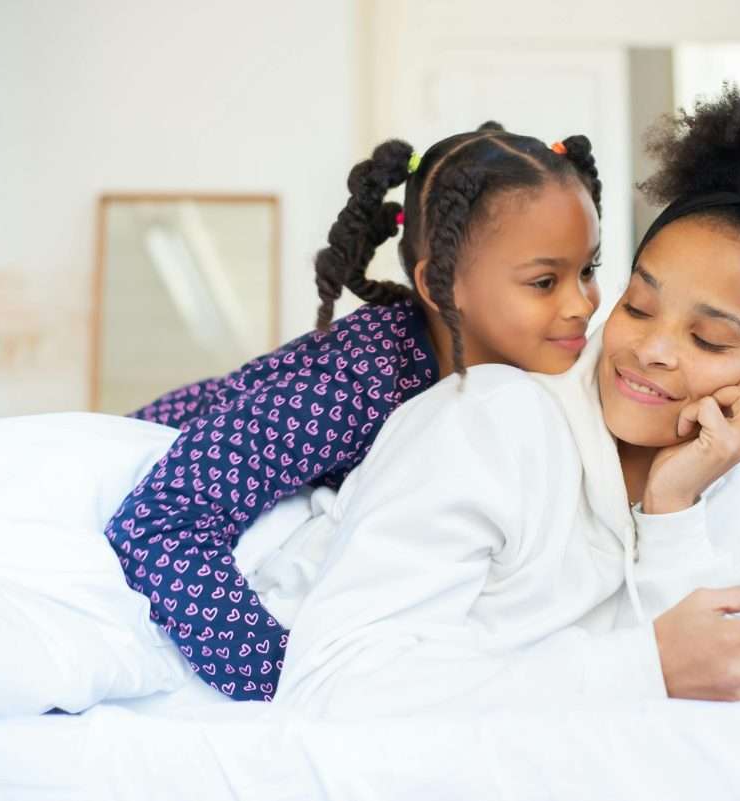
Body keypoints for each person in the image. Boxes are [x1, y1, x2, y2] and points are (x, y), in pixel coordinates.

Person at [274, 83, 740, 716]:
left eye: (708, 340)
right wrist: (647, 667)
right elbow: (329, 685)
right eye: (638, 306)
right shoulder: (490, 422)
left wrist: (671, 508)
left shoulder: (713, 499)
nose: (652, 349)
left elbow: (696, 709)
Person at [104, 123, 605, 700]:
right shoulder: (356, 381)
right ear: (443, 284)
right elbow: (160, 522)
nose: (582, 304)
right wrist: (282, 682)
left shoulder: (537, 376)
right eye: (544, 281)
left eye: (588, 270)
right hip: (153, 445)